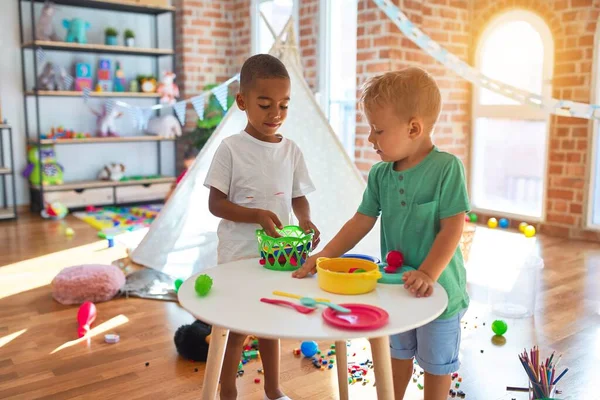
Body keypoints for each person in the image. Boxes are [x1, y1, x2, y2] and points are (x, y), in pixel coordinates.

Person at [293, 67, 470, 400]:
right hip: (396, 288)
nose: (371, 140)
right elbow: (361, 221)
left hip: (439, 293)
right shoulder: (379, 174)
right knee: (397, 355)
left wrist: (428, 273)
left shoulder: (447, 169)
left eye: (378, 131)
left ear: (414, 128)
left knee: (436, 365)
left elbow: (453, 227)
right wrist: (324, 256)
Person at [205, 54, 320, 400]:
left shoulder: (291, 151)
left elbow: (298, 196)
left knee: (271, 324)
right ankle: (227, 388)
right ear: (242, 102)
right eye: (266, 104)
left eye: (284, 106)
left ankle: (273, 388)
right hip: (239, 255)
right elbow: (215, 204)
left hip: (278, 256)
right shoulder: (230, 150)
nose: (276, 115)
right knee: (237, 328)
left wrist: (304, 219)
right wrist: (256, 214)